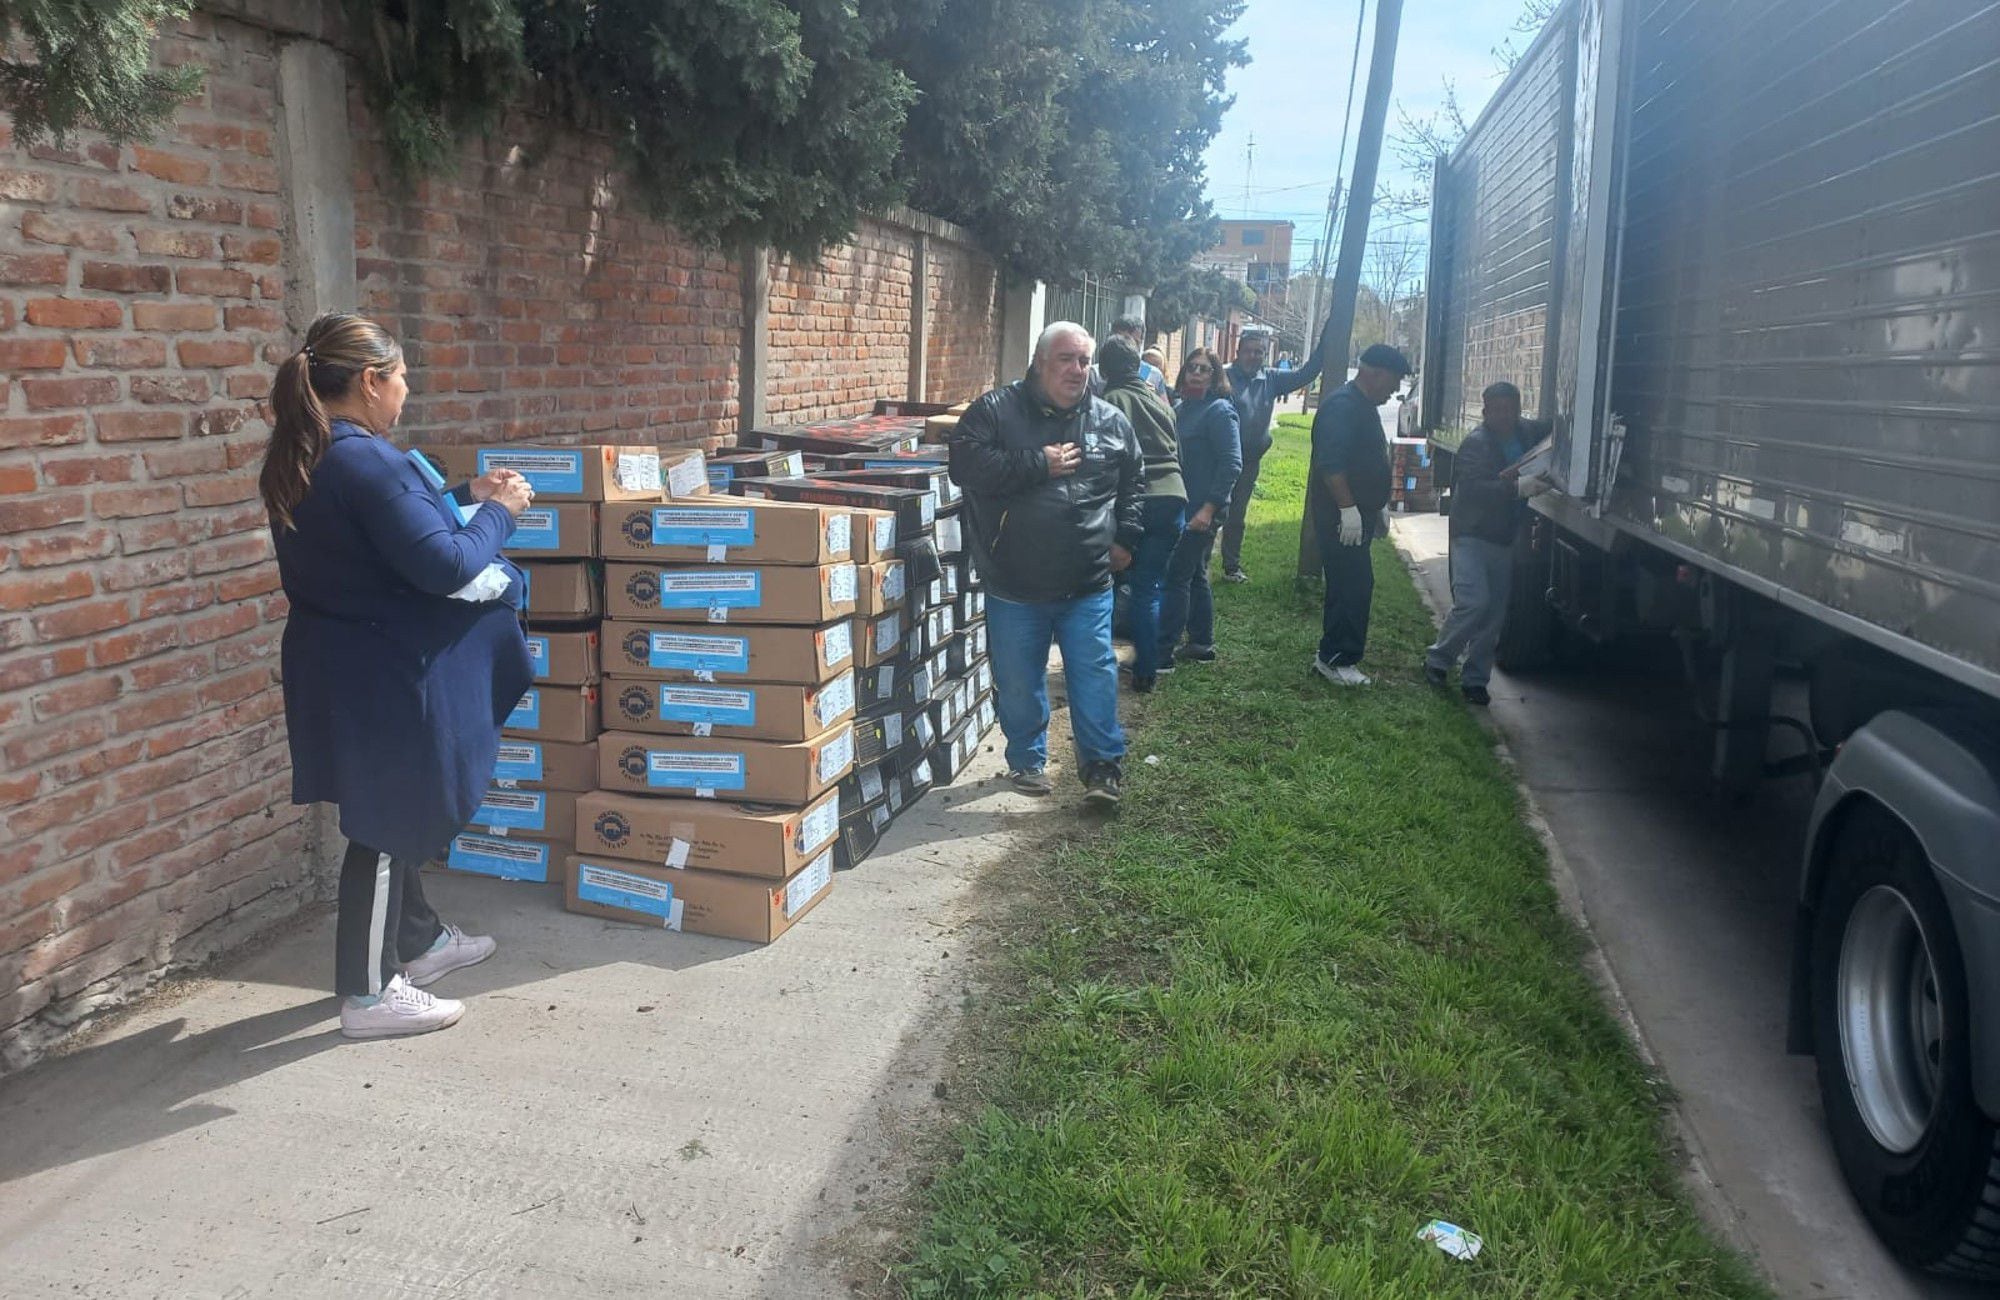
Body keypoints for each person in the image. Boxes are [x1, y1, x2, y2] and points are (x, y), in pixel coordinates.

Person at [262, 312, 535, 1040]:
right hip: (385, 670)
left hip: (344, 660)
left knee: (400, 805)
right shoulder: (367, 462)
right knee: (383, 824)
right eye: (403, 377)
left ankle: (419, 941)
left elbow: (386, 531)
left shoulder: (313, 453)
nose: (406, 391)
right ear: (370, 380)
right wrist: (500, 512)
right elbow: (444, 563)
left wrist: (461, 493)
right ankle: (368, 994)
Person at [949, 321, 1143, 809]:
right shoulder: (995, 411)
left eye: (1084, 361)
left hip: (1087, 582)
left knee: (1094, 673)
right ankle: (1027, 758)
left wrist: (1127, 535)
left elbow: (1133, 481)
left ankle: (1102, 768)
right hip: (1015, 583)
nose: (1077, 370)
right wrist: (1038, 463)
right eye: (1066, 359)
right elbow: (964, 465)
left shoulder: (1110, 420)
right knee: (1019, 680)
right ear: (1039, 362)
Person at [1425, 381, 1550, 704]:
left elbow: (1553, 430)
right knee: (1474, 602)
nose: (1504, 416)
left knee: (1494, 616)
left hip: (1503, 539)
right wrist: (1517, 488)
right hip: (1471, 535)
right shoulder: (1475, 444)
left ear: (1519, 410)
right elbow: (1474, 488)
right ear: (1485, 412)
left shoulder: (1526, 432)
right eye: (1497, 410)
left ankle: (1475, 681)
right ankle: (1438, 660)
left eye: (1511, 409)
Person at [1308, 342, 1413, 686]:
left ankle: (1332, 655)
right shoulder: (1343, 406)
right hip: (1341, 518)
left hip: (1356, 513)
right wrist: (1348, 509)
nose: (1393, 392)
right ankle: (1337, 660)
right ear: (1376, 373)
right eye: (1393, 383)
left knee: (1348, 584)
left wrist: (1375, 506)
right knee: (1353, 585)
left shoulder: (1362, 405)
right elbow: (1331, 465)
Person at [1095, 335, 1186, 693]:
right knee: (1149, 587)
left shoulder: (1111, 401)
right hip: (1173, 498)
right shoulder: (1161, 402)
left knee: (1110, 584)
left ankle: (1099, 666)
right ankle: (1147, 669)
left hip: (1136, 500)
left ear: (1105, 370)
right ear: (1138, 367)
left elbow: (1105, 459)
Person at [1219, 327, 1326, 583]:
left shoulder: (1271, 379)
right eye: (1249, 351)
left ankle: (1231, 567)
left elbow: (1307, 374)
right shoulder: (1222, 377)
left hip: (1248, 462)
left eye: (1259, 352)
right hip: (1218, 460)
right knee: (1211, 511)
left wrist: (1326, 341)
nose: (1253, 356)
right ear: (1238, 352)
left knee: (1236, 516)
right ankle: (1196, 564)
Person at [1158, 349, 1242, 667]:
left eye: (1204, 369)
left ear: (1215, 376)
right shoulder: (1181, 408)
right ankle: (1201, 643)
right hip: (1182, 503)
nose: (1196, 373)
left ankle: (1162, 652)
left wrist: (1208, 509)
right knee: (1194, 574)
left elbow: (1232, 463)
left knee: (1176, 574)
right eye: (1191, 367)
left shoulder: (1220, 412)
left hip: (1204, 508)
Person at [1089, 314, 1168, 400]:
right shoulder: (1095, 374)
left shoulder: (1153, 374)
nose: (1129, 346)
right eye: (1123, 341)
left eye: (1134, 342)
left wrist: (1152, 397)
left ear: (1141, 343)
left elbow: (1165, 407)